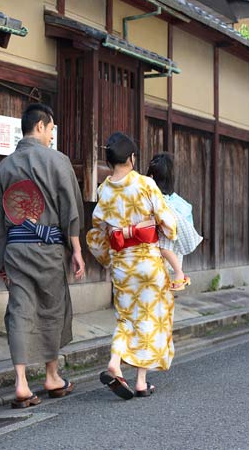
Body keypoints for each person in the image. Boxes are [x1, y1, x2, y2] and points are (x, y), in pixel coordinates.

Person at [0, 103, 85, 409]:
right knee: (51, 308)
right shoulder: (57, 161)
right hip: (49, 249)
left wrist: (0, 261)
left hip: (15, 250)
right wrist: (77, 250)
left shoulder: (5, 167)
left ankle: (22, 383)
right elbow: (71, 209)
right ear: (40, 127)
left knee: (19, 310)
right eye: (52, 128)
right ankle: (52, 376)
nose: (52, 135)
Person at [86, 132, 177, 400]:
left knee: (126, 318)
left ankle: (115, 362)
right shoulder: (145, 184)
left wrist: (107, 258)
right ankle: (140, 381)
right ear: (133, 158)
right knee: (151, 317)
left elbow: (97, 232)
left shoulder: (104, 190)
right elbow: (169, 224)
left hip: (122, 264)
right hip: (148, 261)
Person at [146, 153, 203, 291]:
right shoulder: (178, 202)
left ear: (151, 177)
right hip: (176, 252)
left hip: (160, 252)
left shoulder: (158, 200)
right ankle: (178, 273)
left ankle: (179, 273)